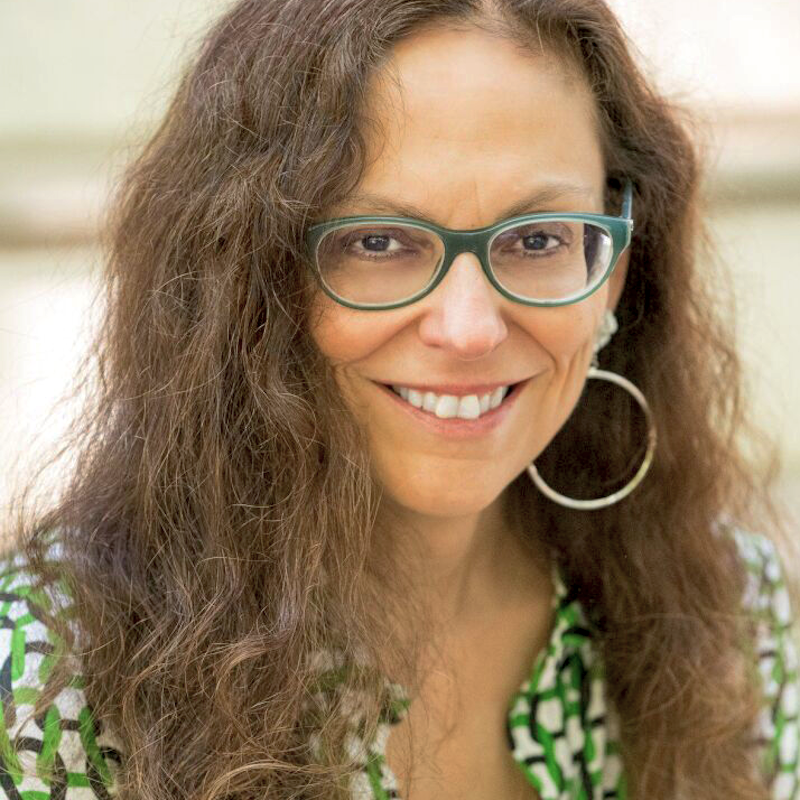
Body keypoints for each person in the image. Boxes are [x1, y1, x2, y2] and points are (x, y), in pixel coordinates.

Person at [0, 1, 797, 798]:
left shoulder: (731, 614)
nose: (469, 329)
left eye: (537, 239)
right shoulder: (48, 677)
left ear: (614, 271)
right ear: (244, 280)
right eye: (375, 242)